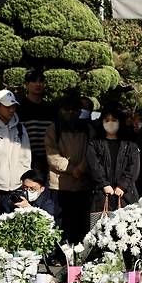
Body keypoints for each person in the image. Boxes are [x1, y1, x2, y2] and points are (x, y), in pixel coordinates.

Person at [45, 95, 91, 243]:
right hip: (60, 184)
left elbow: (92, 151)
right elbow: (52, 155)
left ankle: (78, 256)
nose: (71, 113)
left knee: (80, 223)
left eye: (75, 110)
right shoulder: (54, 129)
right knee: (60, 222)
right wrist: (72, 169)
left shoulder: (88, 129)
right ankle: (59, 255)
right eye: (67, 109)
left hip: (82, 184)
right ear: (60, 110)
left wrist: (82, 168)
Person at [87, 107, 140, 212]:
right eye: (106, 120)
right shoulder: (94, 143)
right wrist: (104, 184)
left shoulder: (130, 144)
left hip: (126, 194)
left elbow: (134, 167)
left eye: (114, 120)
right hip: (101, 195)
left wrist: (122, 185)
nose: (110, 123)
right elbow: (93, 165)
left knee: (126, 226)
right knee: (100, 226)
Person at [0, 90, 31, 219]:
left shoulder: (19, 128)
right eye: (7, 107)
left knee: (14, 226)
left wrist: (25, 180)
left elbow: (25, 156)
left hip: (15, 186)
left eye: (13, 106)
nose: (11, 110)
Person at [17, 69, 57, 175]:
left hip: (49, 159)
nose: (38, 84)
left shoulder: (50, 108)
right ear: (27, 85)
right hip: (26, 158)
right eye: (34, 81)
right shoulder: (19, 107)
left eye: (41, 81)